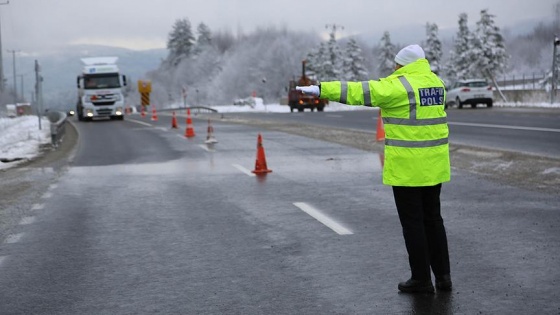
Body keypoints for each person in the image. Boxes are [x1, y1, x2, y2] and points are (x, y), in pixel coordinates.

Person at [297, 44, 452, 294]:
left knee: (413, 223)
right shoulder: (436, 83)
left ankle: (421, 279)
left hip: (408, 167)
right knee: (433, 219)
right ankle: (444, 277)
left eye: (397, 64)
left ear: (404, 65)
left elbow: (359, 91)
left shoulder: (398, 86)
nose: (394, 68)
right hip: (434, 164)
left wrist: (322, 89)